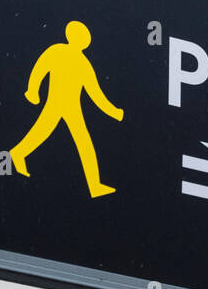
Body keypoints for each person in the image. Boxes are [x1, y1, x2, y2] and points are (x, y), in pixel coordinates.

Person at [9, 20, 123, 197]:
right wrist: (32, 90)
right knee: (70, 139)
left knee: (69, 139)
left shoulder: (84, 63)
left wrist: (114, 112)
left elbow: (96, 94)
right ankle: (94, 185)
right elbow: (40, 69)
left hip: (71, 107)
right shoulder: (57, 51)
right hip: (56, 103)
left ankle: (94, 185)